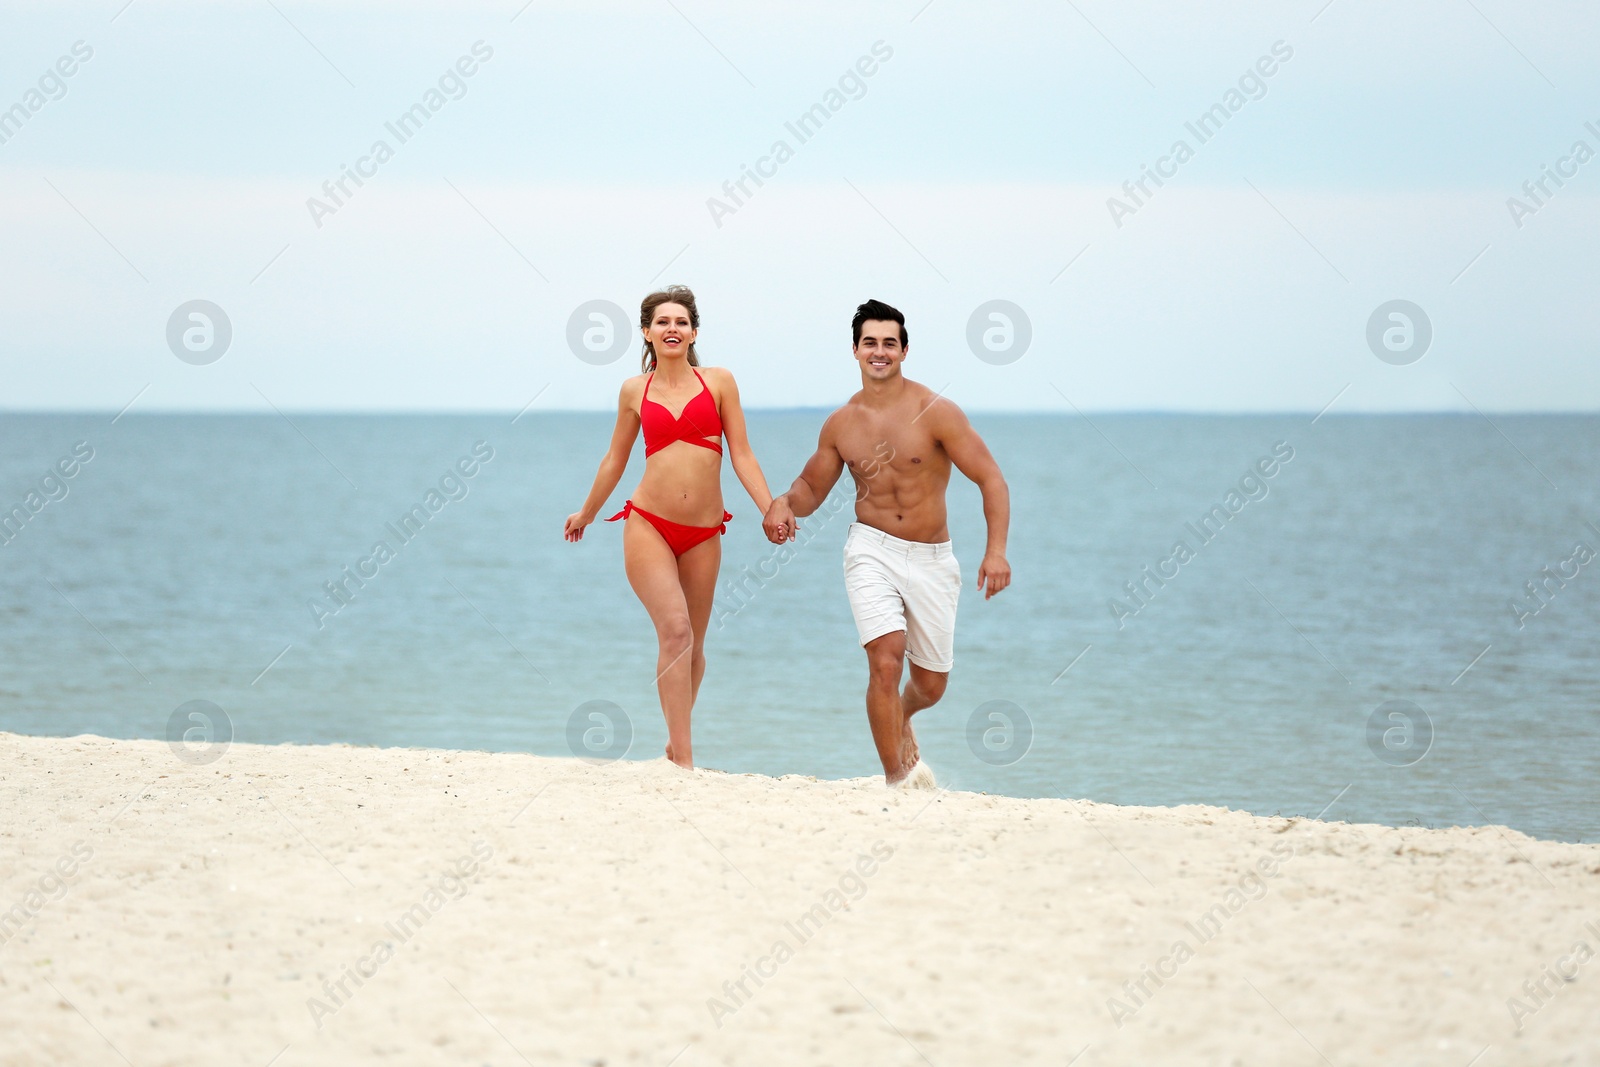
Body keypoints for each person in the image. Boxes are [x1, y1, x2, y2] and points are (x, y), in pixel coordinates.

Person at [762, 298, 1011, 787]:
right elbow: (812, 488)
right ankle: (896, 780)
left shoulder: (935, 412)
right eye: (870, 343)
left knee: (931, 685)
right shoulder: (841, 423)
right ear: (855, 350)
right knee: (884, 659)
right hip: (870, 549)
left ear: (904, 351)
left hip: (933, 557)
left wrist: (996, 550)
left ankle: (905, 712)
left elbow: (991, 479)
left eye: (889, 344)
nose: (880, 352)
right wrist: (784, 502)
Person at [565, 286, 777, 770]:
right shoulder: (633, 391)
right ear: (646, 332)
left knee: (696, 648)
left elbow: (741, 453)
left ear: (694, 331)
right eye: (662, 322)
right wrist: (587, 512)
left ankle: (673, 740)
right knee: (676, 632)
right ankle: (684, 758)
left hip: (704, 532)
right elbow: (615, 459)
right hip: (649, 524)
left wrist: (770, 508)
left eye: (681, 322)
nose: (672, 329)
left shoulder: (719, 382)